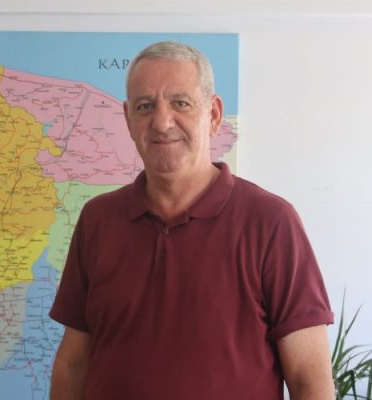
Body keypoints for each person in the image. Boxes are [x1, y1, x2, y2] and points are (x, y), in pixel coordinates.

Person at [49, 41, 335, 400]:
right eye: (145, 106)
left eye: (180, 103)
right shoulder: (97, 220)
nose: (162, 122)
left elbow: (310, 380)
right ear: (128, 119)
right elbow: (74, 363)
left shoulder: (271, 222)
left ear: (213, 114)